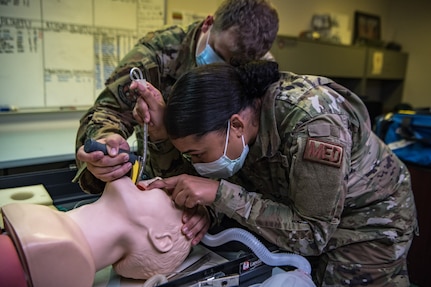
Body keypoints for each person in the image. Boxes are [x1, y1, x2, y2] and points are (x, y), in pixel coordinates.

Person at [142, 61, 418, 286]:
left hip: (368, 218)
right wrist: (205, 207)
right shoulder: (237, 124)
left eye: (199, 155)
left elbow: (312, 233)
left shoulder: (314, 126)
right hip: (301, 208)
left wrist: (219, 194)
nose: (197, 164)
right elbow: (214, 182)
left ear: (235, 125)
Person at [74, 0, 278, 246]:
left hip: (226, 205)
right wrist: (107, 140)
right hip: (163, 177)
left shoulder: (257, 65)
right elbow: (109, 109)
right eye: (221, 55)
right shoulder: (158, 54)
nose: (222, 70)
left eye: (235, 66)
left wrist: (212, 207)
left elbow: (252, 156)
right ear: (208, 24)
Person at [0, 176, 192, 287]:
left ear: (161, 239)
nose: (158, 181)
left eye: (169, 197)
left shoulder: (56, 251)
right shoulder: (53, 232)